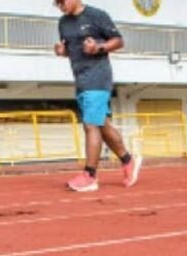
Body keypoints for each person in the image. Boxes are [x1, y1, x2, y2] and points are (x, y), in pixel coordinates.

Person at [54, 0, 141, 192]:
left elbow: (118, 41)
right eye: (57, 3)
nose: (60, 6)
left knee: (90, 124)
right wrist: (63, 52)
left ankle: (90, 175)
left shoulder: (97, 15)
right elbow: (72, 49)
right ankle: (128, 161)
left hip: (98, 77)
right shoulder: (63, 23)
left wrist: (98, 47)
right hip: (80, 79)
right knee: (102, 124)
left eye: (62, 2)